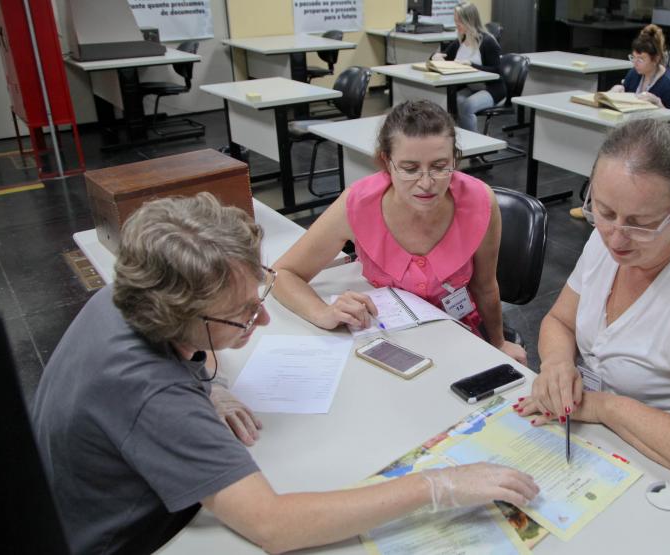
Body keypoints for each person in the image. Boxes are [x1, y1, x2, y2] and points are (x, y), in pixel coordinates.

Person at [32, 193, 539, 554]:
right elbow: (274, 526)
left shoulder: (125, 295)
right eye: (243, 315)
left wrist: (213, 385)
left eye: (258, 300)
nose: (264, 319)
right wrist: (435, 486)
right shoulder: (153, 395)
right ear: (175, 315)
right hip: (135, 538)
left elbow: (200, 349)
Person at [515, 119, 670, 492]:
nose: (616, 237)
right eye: (604, 211)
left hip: (667, 462)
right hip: (595, 436)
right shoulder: (608, 242)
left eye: (640, 223)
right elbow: (560, 322)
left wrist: (602, 407)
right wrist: (557, 364)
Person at [272, 100, 527, 364]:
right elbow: (282, 274)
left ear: (455, 159)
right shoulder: (358, 205)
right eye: (409, 169)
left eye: (440, 166)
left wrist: (498, 342)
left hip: (458, 334)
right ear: (387, 162)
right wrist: (321, 312)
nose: (426, 183)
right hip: (387, 339)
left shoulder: (479, 201)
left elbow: (485, 286)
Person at [570, 23, 670, 220]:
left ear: (655, 59)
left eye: (641, 59)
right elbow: (625, 91)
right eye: (633, 58)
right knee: (603, 153)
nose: (635, 63)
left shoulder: (668, 82)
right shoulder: (634, 74)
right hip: (630, 131)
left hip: (653, 140)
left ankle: (598, 207)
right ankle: (594, 206)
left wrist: (658, 103)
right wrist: (617, 91)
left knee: (611, 156)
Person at [431, 2, 505, 132]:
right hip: (471, 87)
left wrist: (472, 65)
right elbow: (444, 57)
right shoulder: (460, 41)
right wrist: (435, 57)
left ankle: (473, 144)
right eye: (455, 20)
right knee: (453, 99)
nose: (456, 24)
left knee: (467, 106)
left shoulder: (488, 42)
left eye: (459, 21)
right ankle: (460, 138)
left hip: (491, 89)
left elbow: (497, 71)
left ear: (469, 20)